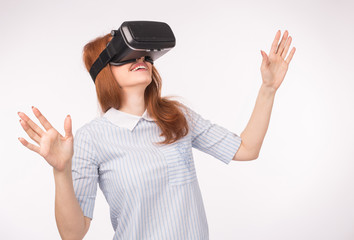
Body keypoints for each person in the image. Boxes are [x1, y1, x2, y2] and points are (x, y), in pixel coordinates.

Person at [17, 29, 295, 239]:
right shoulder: (92, 138)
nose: (140, 59)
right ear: (104, 71)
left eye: (143, 54)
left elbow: (246, 149)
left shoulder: (177, 117)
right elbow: (73, 234)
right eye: (125, 55)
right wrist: (61, 172)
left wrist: (268, 88)